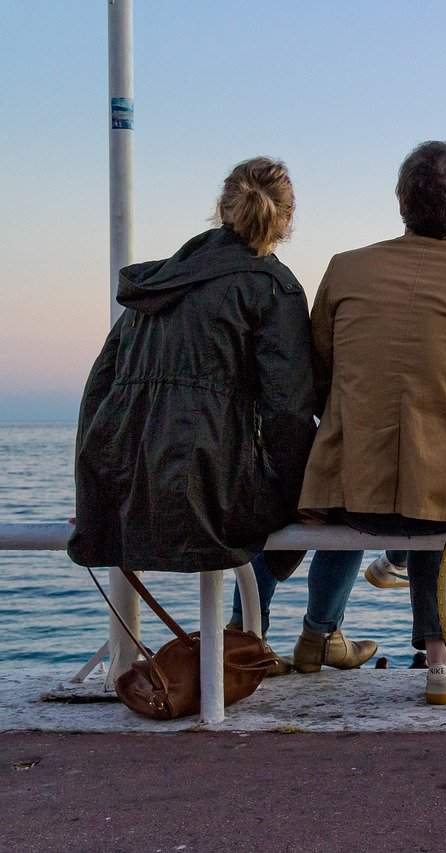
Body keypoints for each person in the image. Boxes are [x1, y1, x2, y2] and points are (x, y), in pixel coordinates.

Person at [292, 141, 446, 701]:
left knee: (369, 480)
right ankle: (440, 667)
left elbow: (317, 379)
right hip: (444, 499)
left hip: (345, 491)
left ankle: (313, 637)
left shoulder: (345, 269)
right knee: (443, 491)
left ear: (401, 200)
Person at [69, 157, 317, 673]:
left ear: (221, 209)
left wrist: (94, 492)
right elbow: (288, 415)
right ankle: (265, 638)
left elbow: (99, 391)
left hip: (125, 487)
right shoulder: (273, 287)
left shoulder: (158, 283)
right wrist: (306, 493)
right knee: (332, 500)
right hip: (207, 493)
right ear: (287, 220)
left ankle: (246, 636)